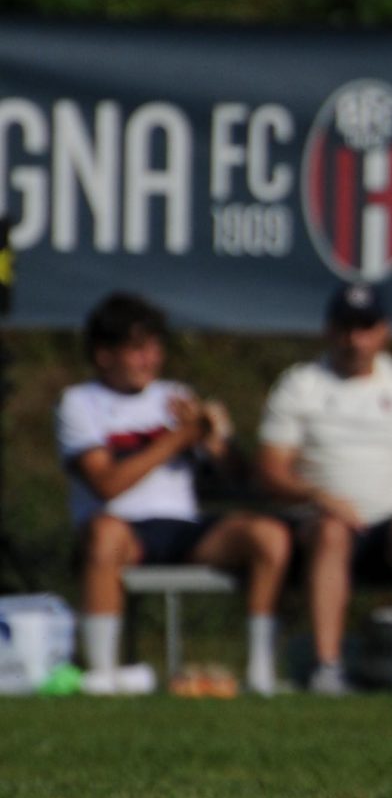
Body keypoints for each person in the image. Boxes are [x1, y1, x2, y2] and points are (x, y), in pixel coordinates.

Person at [62, 292, 293, 696]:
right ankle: (102, 673)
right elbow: (106, 484)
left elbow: (239, 478)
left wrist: (215, 441)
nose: (150, 359)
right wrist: (177, 439)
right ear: (104, 355)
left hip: (183, 527)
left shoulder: (176, 396)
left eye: (155, 348)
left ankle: (260, 670)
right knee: (105, 534)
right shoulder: (80, 403)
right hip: (123, 530)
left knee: (269, 535)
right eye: (137, 349)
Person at [254, 285, 392, 695]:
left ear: (384, 331)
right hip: (319, 526)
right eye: (346, 329)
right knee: (333, 530)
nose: (356, 340)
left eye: (365, 329)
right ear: (329, 331)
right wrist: (318, 496)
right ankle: (326, 667)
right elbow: (270, 470)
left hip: (389, 530)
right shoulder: (301, 386)